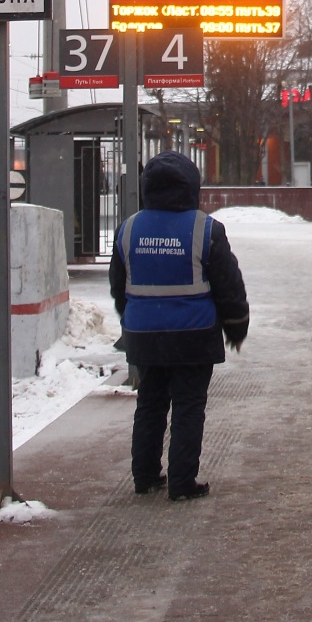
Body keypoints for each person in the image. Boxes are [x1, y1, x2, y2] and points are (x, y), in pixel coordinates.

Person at [110, 152, 249, 502]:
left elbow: (118, 284)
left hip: (145, 336)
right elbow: (228, 284)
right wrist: (236, 325)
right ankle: (182, 482)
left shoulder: (129, 228)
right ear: (191, 186)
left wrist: (132, 319)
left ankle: (144, 476)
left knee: (150, 403)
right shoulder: (205, 228)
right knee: (188, 406)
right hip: (193, 335)